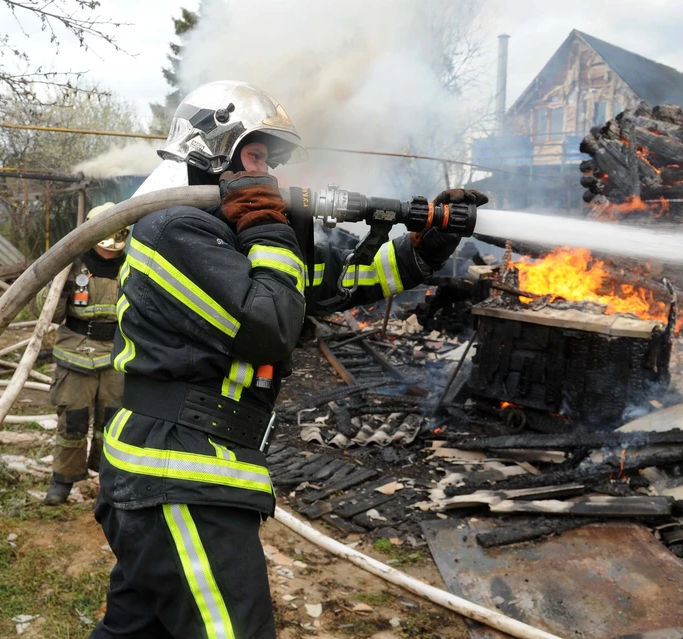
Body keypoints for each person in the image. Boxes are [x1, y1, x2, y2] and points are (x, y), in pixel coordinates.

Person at [91, 80, 487, 639]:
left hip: (180, 475)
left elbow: (332, 285)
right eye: (256, 156)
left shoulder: (240, 238)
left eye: (271, 162)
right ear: (215, 152)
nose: (269, 173)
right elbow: (271, 326)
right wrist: (270, 226)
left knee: (139, 630)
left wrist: (424, 247)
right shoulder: (175, 229)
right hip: (178, 476)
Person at [36, 203, 129, 505]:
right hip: (75, 352)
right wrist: (56, 284)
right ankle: (62, 480)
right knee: (73, 421)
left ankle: (110, 480)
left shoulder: (134, 267)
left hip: (117, 355)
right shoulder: (71, 265)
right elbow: (47, 313)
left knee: (114, 423)